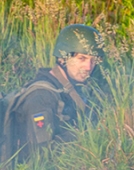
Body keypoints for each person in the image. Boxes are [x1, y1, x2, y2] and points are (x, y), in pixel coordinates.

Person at [7, 23, 108, 160]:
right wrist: (86, 135)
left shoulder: (73, 89)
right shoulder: (41, 96)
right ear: (62, 59)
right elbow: (41, 154)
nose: (88, 67)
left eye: (93, 60)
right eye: (81, 58)